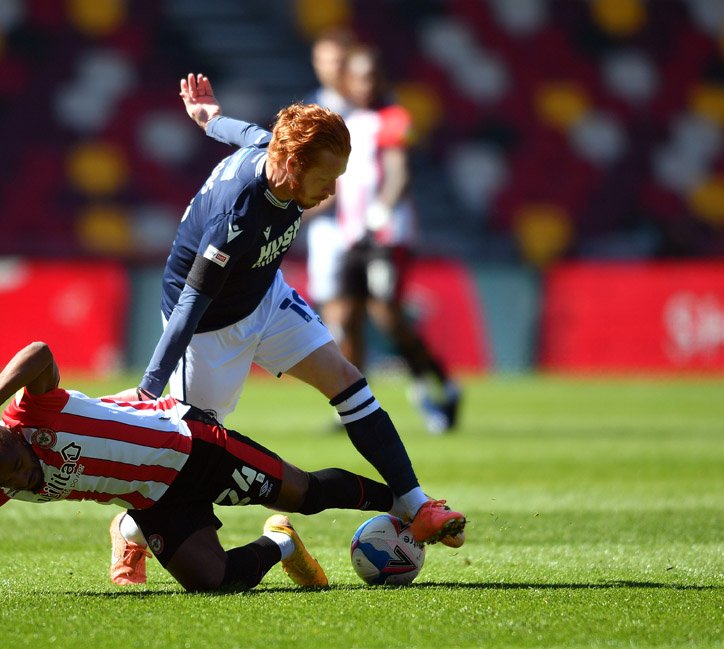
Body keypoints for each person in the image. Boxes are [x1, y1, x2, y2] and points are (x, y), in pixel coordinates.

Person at [104, 73, 465, 583]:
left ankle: (416, 502)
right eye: (327, 179)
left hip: (265, 296)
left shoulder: (273, 152)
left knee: (346, 379)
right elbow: (189, 304)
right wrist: (148, 390)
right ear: (293, 165)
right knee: (195, 466)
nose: (332, 191)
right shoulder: (239, 215)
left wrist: (207, 117)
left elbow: (243, 131)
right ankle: (129, 528)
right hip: (207, 330)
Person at [0, 341, 427, 599]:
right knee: (213, 584)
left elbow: (39, 351)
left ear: (10, 434)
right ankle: (282, 544)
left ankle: (406, 505)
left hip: (191, 446)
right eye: (12, 481)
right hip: (153, 498)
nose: (25, 477)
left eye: (20, 463)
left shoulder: (30, 411)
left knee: (304, 492)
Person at [332, 45, 461, 434]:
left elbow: (398, 171)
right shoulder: (346, 121)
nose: (366, 84)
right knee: (346, 318)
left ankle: (433, 383)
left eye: (372, 76)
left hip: (387, 234)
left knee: (386, 313)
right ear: (348, 81)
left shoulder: (394, 117)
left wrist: (381, 210)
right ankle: (357, 409)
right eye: (359, 76)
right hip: (351, 235)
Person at [302, 28, 354, 356]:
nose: (330, 67)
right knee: (331, 296)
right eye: (323, 61)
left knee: (369, 302)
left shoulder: (364, 105)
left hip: (363, 217)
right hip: (328, 220)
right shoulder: (311, 108)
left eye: (336, 61)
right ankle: (348, 384)